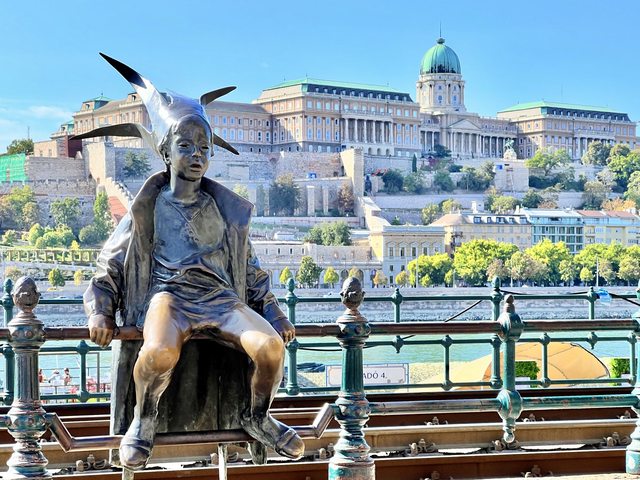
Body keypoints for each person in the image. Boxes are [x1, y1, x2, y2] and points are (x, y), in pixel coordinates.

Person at [80, 53, 303, 471]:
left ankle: (257, 416)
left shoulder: (224, 210)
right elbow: (108, 266)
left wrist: (272, 311)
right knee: (158, 351)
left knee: (271, 347)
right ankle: (144, 420)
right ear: (166, 152)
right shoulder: (148, 207)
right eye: (185, 146)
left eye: (204, 148)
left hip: (221, 300)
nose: (197, 155)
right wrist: (101, 311)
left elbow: (251, 270)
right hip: (169, 298)